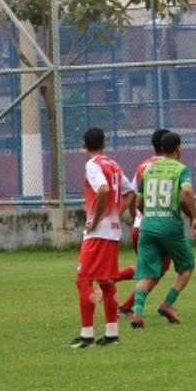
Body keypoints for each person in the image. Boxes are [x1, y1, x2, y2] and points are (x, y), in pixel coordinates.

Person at [128, 131, 196, 329]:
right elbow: (186, 192)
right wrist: (195, 216)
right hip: (170, 226)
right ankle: (167, 304)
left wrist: (149, 214)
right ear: (178, 148)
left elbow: (139, 201)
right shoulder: (181, 169)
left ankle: (136, 313)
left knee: (148, 274)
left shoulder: (148, 169)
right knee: (186, 267)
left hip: (147, 226)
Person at [70, 127, 133, 348]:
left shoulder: (92, 165)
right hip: (113, 232)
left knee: (83, 280)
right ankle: (111, 334)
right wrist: (116, 212)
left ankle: (87, 335)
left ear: (84, 145)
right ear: (104, 144)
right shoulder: (113, 164)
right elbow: (130, 192)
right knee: (106, 281)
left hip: (98, 233)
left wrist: (97, 220)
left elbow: (104, 190)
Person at [115, 128, 172, 319]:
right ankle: (111, 282)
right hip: (160, 226)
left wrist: (135, 220)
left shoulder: (142, 167)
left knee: (148, 269)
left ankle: (124, 303)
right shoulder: (172, 167)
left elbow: (133, 196)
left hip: (140, 226)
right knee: (155, 271)